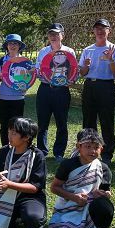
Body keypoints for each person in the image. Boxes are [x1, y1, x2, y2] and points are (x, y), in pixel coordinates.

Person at [48, 129, 114, 228]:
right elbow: (54, 187)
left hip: (90, 206)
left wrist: (105, 194)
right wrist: (74, 197)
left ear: (101, 149)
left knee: (105, 206)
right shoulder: (67, 165)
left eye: (96, 147)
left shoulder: (103, 168)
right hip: (69, 207)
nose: (92, 151)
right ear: (79, 147)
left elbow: (105, 190)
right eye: (88, 146)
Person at [78, 19, 115, 165]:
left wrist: (111, 60)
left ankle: (107, 153)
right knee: (88, 120)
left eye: (103, 28)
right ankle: (87, 150)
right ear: (93, 31)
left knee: (107, 120)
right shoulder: (88, 50)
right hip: (90, 86)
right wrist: (86, 66)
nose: (100, 31)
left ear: (109, 30)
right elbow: (82, 72)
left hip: (106, 86)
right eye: (97, 28)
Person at [35, 23, 77, 162]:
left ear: (62, 35)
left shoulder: (69, 51)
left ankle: (59, 153)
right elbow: (38, 70)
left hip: (62, 91)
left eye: (56, 34)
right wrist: (42, 74)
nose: (53, 36)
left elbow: (74, 71)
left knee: (61, 122)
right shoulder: (43, 51)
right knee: (42, 122)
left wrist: (71, 80)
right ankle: (42, 151)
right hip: (45, 89)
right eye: (51, 34)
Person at [0, 33, 28, 148]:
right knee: (4, 125)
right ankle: (5, 148)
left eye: (15, 43)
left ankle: (17, 147)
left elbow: (29, 80)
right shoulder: (1, 61)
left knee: (17, 125)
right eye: (10, 43)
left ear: (19, 46)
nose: (12, 46)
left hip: (18, 97)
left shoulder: (25, 61)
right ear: (7, 46)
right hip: (3, 97)